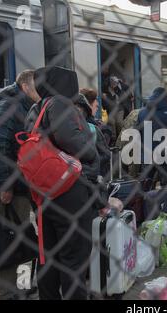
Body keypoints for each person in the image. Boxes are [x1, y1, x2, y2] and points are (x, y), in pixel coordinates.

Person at [25, 66, 98, 300]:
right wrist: (91, 152)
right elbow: (69, 138)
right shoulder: (62, 104)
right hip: (70, 191)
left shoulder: (36, 109)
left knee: (49, 255)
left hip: (45, 192)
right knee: (74, 258)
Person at [0, 70, 41, 299]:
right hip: (13, 189)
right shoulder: (9, 107)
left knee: (24, 239)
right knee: (10, 241)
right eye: (38, 86)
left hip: (24, 187)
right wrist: (5, 184)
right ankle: (6, 294)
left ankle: (24, 286)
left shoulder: (24, 107)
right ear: (25, 86)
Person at [136, 87, 167, 186]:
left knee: (146, 184)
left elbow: (137, 134)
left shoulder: (142, 113)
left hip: (147, 154)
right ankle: (166, 201)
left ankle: (146, 200)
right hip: (165, 155)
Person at [103, 76, 132, 142]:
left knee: (119, 122)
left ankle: (121, 137)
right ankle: (113, 139)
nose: (114, 85)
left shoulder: (120, 88)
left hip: (120, 108)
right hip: (111, 109)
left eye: (115, 83)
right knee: (111, 122)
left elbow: (128, 92)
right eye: (112, 84)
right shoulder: (106, 89)